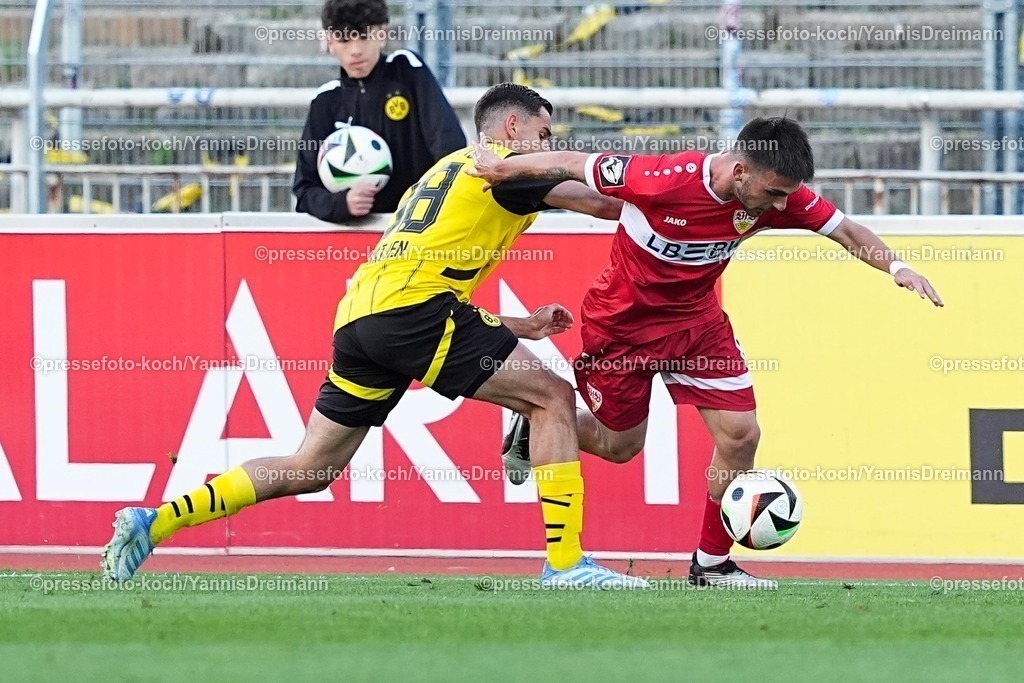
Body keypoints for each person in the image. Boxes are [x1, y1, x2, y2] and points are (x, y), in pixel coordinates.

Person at [102, 83, 647, 589]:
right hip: (413, 314)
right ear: (511, 128)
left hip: (363, 319)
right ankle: (566, 563)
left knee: (309, 467)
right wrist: (687, 197)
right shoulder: (506, 166)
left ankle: (156, 522)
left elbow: (427, 283)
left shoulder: (446, 170)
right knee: (551, 396)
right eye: (544, 134)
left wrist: (522, 326)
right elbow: (606, 204)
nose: (549, 146)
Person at [469, 116, 943, 589]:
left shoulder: (778, 195)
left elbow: (847, 231)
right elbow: (572, 162)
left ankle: (712, 564)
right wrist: (504, 169)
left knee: (741, 436)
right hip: (621, 330)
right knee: (620, 447)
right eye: (774, 193)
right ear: (740, 172)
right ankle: (536, 433)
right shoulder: (661, 179)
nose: (782, 205)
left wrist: (897, 267)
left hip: (698, 327)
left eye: (786, 195)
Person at [293, 0, 466, 223]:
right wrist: (341, 203)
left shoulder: (407, 70)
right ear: (329, 41)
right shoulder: (325, 101)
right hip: (353, 239)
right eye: (344, 40)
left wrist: (433, 206)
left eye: (365, 37)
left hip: (417, 227)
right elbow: (304, 190)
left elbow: (449, 146)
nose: (355, 50)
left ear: (382, 35)